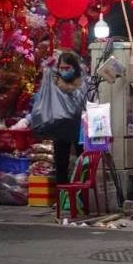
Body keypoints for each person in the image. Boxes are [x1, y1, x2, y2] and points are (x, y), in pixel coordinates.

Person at [32, 52, 89, 185]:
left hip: (78, 125)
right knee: (61, 163)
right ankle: (63, 196)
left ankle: (80, 195)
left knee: (82, 161)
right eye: (61, 68)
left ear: (74, 67)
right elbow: (46, 77)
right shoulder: (53, 79)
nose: (64, 71)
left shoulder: (82, 81)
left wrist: (61, 84)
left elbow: (80, 98)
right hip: (61, 126)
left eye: (67, 68)